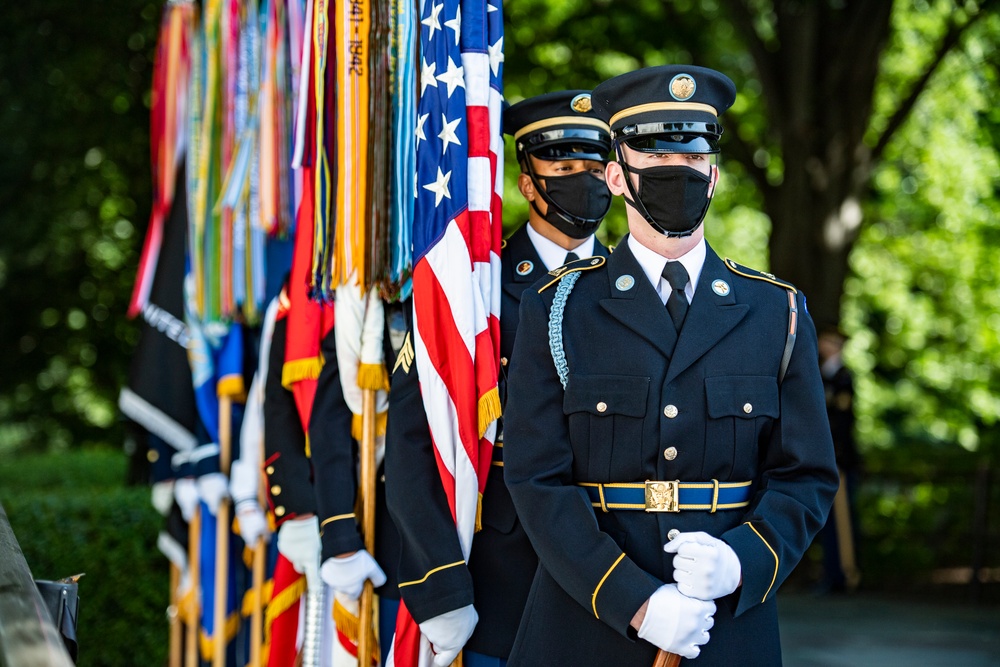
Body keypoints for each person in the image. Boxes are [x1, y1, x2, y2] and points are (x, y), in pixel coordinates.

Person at [502, 65, 840, 666]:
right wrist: (636, 601)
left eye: (691, 159)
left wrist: (745, 559)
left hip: (727, 625)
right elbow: (536, 478)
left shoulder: (775, 311)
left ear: (713, 174)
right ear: (616, 176)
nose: (676, 174)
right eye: (654, 159)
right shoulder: (557, 309)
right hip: (586, 623)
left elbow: (806, 476)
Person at [384, 89, 614, 667]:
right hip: (502, 582)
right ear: (528, 184)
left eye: (593, 169)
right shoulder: (471, 294)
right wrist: (440, 587)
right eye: (563, 169)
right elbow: (414, 446)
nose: (580, 183)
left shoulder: (634, 289)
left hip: (616, 585)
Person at [817, 327, 862, 593]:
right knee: (828, 523)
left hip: (838, 461)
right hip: (828, 459)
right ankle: (831, 575)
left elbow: (841, 424)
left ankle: (846, 575)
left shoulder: (843, 378)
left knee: (842, 523)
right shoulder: (824, 375)